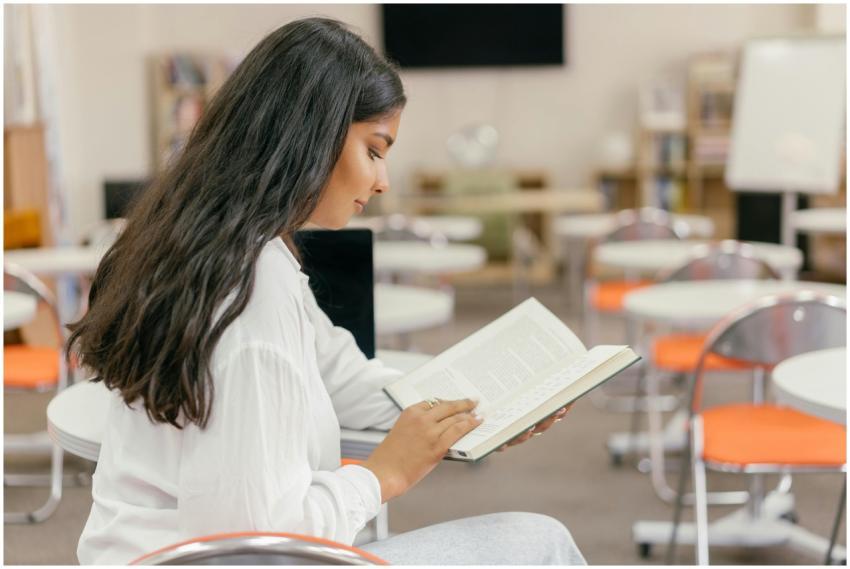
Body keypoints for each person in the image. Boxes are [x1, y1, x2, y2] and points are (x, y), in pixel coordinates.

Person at [69, 18, 585, 565]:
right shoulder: (251, 292)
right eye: (374, 150)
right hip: (230, 559)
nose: (383, 181)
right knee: (542, 542)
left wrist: (482, 411)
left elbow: (343, 377)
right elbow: (254, 541)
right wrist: (381, 476)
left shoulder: (228, 250)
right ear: (312, 136)